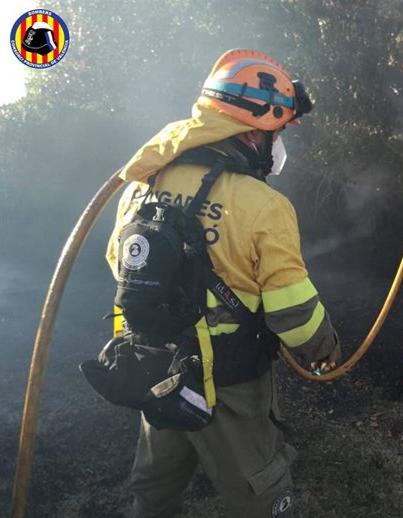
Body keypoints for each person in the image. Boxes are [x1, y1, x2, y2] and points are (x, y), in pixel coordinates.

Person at [105, 49, 340, 518]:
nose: (278, 146)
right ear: (254, 130)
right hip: (229, 384)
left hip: (157, 367)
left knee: (154, 491)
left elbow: (118, 262)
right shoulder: (264, 205)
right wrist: (324, 350)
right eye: (277, 133)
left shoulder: (141, 184)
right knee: (260, 494)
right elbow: (293, 312)